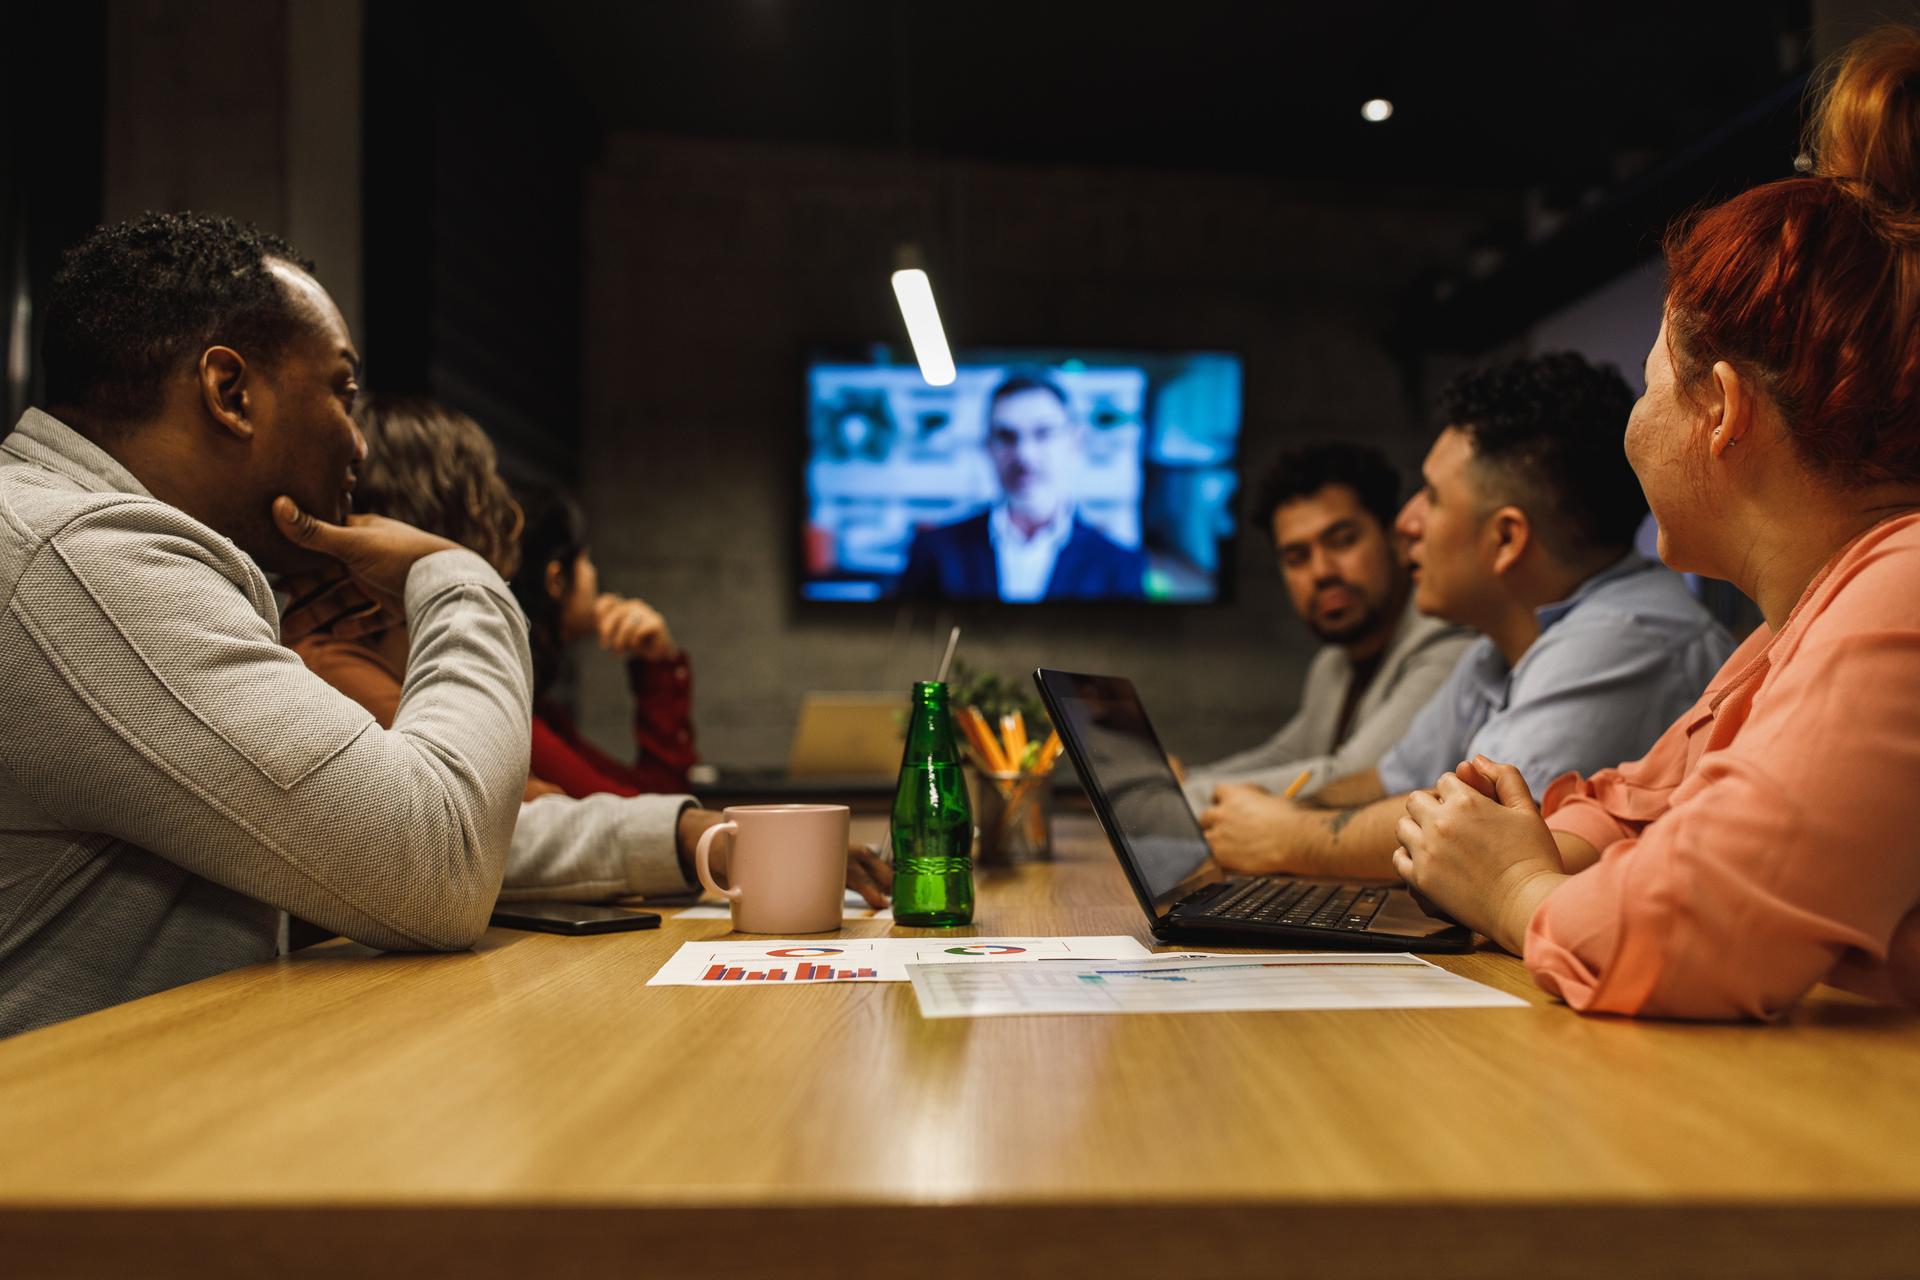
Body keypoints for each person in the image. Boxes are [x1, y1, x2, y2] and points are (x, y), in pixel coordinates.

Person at [1392, 27, 1920, 1020]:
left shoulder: (1903, 587)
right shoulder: (1789, 626)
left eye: (1647, 384)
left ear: (1720, 409)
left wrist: (1513, 888)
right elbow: (1643, 799)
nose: (1638, 422)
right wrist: (1541, 847)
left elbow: (1675, 929)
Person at [0, 213, 532, 1039]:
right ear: (231, 393)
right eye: (342, 392)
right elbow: (439, 864)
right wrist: (456, 577)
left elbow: (383, 835)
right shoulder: (80, 559)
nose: (358, 441)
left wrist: (677, 840)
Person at [293, 396, 890, 906]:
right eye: (486, 493)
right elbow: (494, 831)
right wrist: (717, 839)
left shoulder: (417, 672)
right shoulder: (333, 673)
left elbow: (574, 812)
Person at [1200, 353, 1735, 879]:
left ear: (1505, 538)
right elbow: (1392, 780)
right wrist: (1281, 815)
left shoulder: (1626, 640)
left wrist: (1291, 838)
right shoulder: (1497, 646)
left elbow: (1474, 830)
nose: (1406, 523)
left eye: (1430, 498)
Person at [1180, 442, 1474, 811]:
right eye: (1297, 557)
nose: (1322, 572)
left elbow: (1357, 776)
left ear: (1395, 538)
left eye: (1343, 541)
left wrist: (1179, 800)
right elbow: (1286, 755)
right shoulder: (1332, 663)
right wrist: (1187, 780)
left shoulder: (1447, 642)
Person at [507, 481, 696, 799]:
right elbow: (647, 818)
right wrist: (662, 671)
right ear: (556, 580)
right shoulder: (518, 724)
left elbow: (656, 804)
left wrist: (657, 662)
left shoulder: (536, 709)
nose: (593, 574)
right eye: (586, 559)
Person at [897, 369, 1145, 600]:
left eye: (1043, 433)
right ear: (987, 446)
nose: (1024, 455)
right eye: (1006, 436)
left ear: (1075, 441)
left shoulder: (1120, 565)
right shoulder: (935, 552)